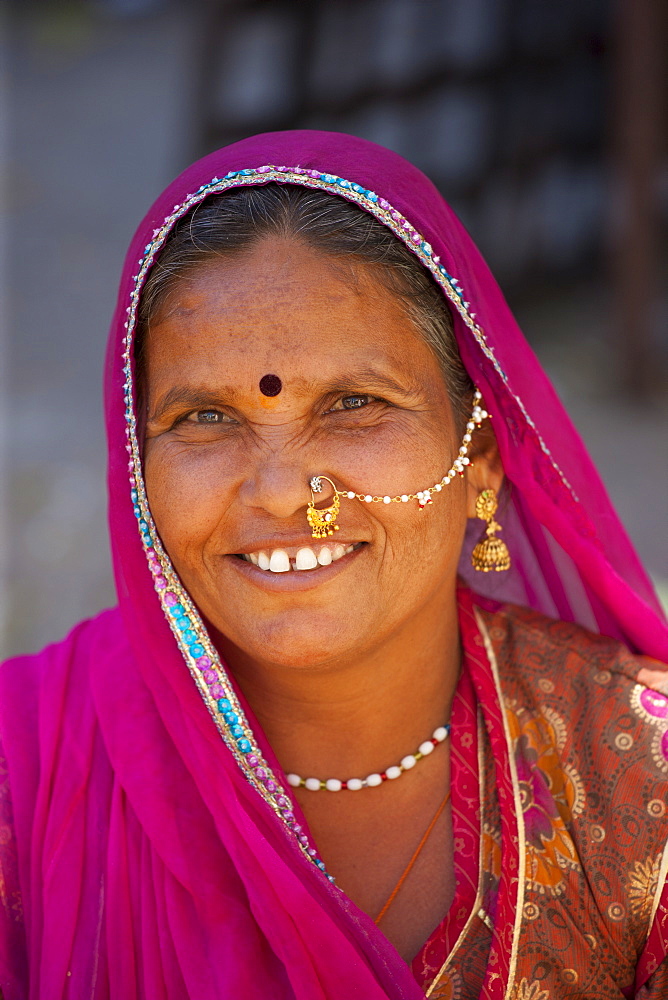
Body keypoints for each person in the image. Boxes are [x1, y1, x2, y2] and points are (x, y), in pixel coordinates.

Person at [1, 131, 667, 1000]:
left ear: (483, 461)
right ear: (136, 463)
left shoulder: (637, 789)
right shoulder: (27, 774)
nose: (282, 494)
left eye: (355, 405)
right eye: (204, 418)